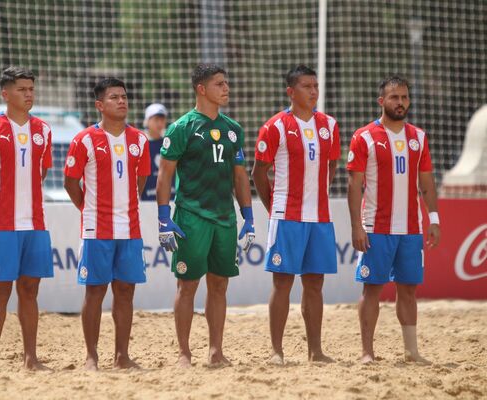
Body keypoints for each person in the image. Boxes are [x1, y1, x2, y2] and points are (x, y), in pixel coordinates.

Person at [156, 63, 255, 368]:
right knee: (187, 285)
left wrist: (248, 217)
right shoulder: (181, 128)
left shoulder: (233, 129)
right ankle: (184, 353)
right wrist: (163, 218)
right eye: (220, 84)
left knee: (220, 286)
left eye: (227, 83)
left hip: (225, 218)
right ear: (201, 89)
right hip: (191, 216)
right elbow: (164, 176)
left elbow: (240, 177)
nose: (226, 89)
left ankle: (216, 351)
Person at [347, 75, 440, 364]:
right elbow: (354, 185)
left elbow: (426, 183)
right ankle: (367, 352)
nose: (400, 103)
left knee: (408, 290)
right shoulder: (364, 137)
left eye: (404, 97)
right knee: (372, 288)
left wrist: (433, 218)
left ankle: (412, 352)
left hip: (412, 228)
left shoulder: (419, 137)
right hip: (377, 227)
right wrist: (357, 226)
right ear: (381, 101)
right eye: (394, 97)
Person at [252, 65, 340, 364]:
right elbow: (259, 172)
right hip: (287, 216)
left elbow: (332, 165)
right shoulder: (275, 126)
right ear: (291, 91)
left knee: (315, 283)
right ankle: (276, 351)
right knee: (283, 283)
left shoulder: (329, 124)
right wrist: (273, 207)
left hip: (320, 217)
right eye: (307, 86)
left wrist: (320, 193)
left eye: (316, 85)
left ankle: (315, 350)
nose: (314, 91)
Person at [0, 66, 54, 372]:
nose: (29, 94)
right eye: (22, 89)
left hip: (35, 223)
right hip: (2, 224)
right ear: (6, 94)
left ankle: (31, 357)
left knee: (30, 290)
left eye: (31, 89)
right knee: (0, 290)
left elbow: (41, 173)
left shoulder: (43, 130)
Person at [64, 77, 151, 370]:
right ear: (100, 105)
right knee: (95, 290)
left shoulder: (139, 139)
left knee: (125, 291)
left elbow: (141, 182)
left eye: (124, 96)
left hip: (130, 228)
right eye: (114, 97)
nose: (122, 101)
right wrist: (88, 208)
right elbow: (70, 182)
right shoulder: (85, 139)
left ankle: (122, 355)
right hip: (96, 228)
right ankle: (91, 355)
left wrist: (123, 208)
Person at [140, 102, 175, 201]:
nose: (160, 123)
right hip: (147, 199)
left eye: (162, 119)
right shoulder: (141, 145)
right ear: (147, 121)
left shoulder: (170, 143)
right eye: (156, 119)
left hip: (170, 198)